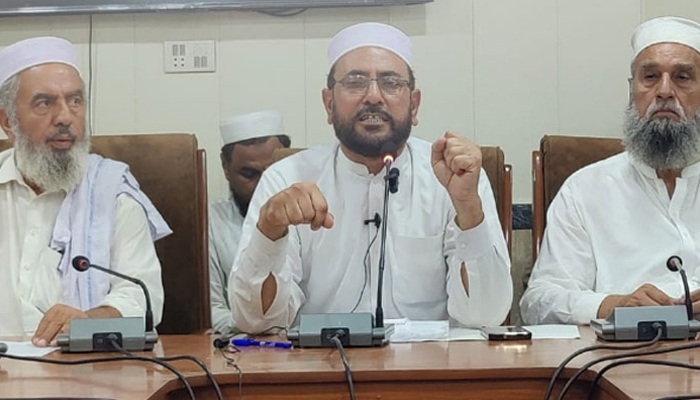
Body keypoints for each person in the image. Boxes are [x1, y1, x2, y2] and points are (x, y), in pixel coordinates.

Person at [229, 22, 512, 333]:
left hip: (429, 371)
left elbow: (487, 316)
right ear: (329, 104)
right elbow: (255, 322)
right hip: (323, 371)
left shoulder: (456, 178)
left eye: (391, 83)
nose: (374, 96)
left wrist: (468, 207)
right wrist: (269, 231)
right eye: (355, 82)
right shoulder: (285, 179)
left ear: (414, 105)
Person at [521, 16, 700, 325]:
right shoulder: (585, 189)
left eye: (683, 77)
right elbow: (538, 303)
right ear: (632, 90)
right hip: (619, 362)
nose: (665, 91)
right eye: (650, 77)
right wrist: (612, 305)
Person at [0, 37, 170, 345]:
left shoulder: (114, 194)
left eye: (75, 101)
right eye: (45, 102)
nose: (65, 117)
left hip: (82, 372)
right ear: (6, 121)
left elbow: (143, 297)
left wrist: (92, 320)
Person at [209, 110, 290, 334]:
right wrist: (257, 325)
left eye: (272, 172)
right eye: (250, 174)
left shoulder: (310, 218)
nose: (265, 184)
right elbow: (211, 311)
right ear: (226, 168)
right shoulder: (210, 222)